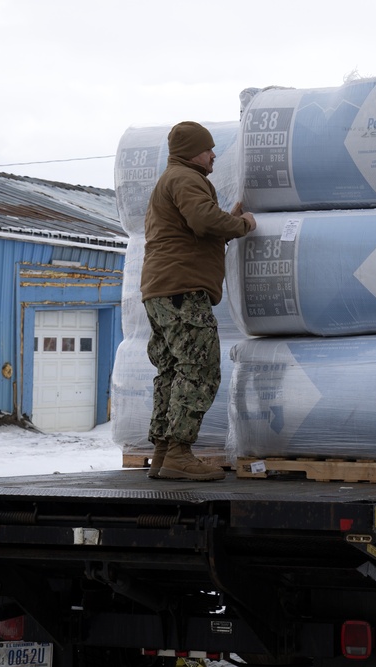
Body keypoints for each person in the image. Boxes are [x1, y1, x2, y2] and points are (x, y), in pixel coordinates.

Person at [140, 121, 256, 481]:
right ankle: (179, 452)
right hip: (181, 290)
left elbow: (195, 230)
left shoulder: (172, 180)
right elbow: (203, 220)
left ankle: (163, 450)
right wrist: (243, 225)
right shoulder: (186, 179)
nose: (213, 155)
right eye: (208, 149)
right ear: (193, 151)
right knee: (200, 367)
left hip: (162, 290)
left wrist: (226, 222)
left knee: (172, 369)